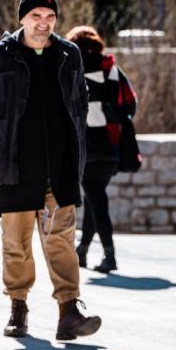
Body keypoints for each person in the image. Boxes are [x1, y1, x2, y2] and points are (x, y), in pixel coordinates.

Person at [0, 0, 102, 341]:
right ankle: (18, 309)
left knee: (62, 242)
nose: (43, 23)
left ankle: (68, 311)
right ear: (22, 18)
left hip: (60, 170)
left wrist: (75, 134)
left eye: (50, 17)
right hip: (14, 170)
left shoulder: (69, 55)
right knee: (16, 245)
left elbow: (81, 99)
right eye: (36, 16)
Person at [66, 26, 138, 274]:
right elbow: (131, 103)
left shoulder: (72, 69)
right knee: (94, 196)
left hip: (84, 143)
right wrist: (113, 119)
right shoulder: (113, 70)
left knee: (96, 197)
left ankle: (110, 255)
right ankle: (82, 251)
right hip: (112, 142)